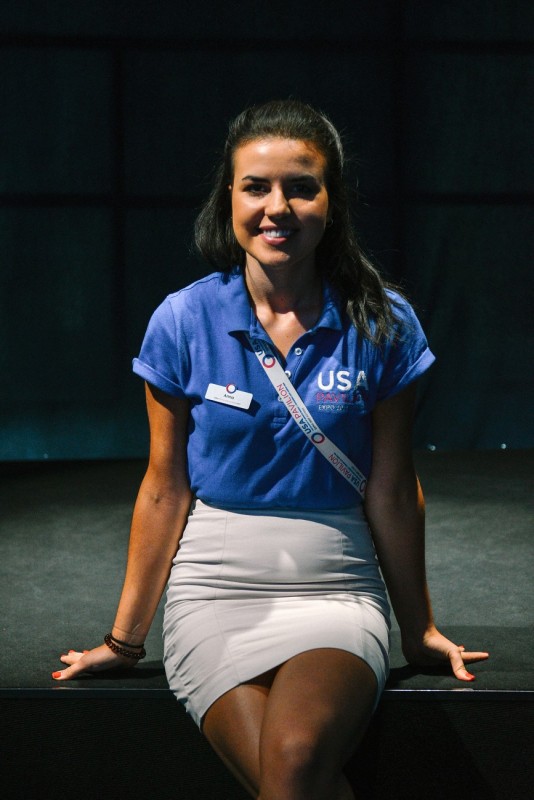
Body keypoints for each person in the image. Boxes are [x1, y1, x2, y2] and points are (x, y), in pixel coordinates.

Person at [52, 99, 488, 800]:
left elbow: (391, 485)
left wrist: (419, 629)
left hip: (335, 589)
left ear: (332, 202)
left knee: (293, 760)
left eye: (301, 187)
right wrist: (126, 640)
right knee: (289, 782)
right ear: (228, 197)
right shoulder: (184, 319)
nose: (276, 207)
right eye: (256, 187)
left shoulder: (384, 321)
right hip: (212, 592)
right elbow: (165, 488)